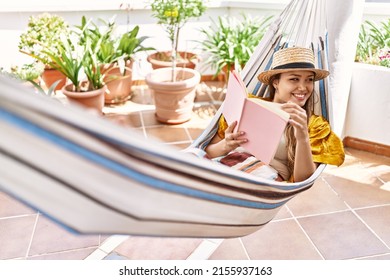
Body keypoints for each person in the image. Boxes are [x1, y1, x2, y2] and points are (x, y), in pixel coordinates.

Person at [204, 47, 345, 182]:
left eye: (309, 80)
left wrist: (302, 137)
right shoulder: (249, 106)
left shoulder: (315, 125)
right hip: (225, 165)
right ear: (276, 83)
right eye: (294, 79)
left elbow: (303, 180)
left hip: (260, 179)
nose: (303, 87)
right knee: (190, 159)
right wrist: (226, 145)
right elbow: (207, 153)